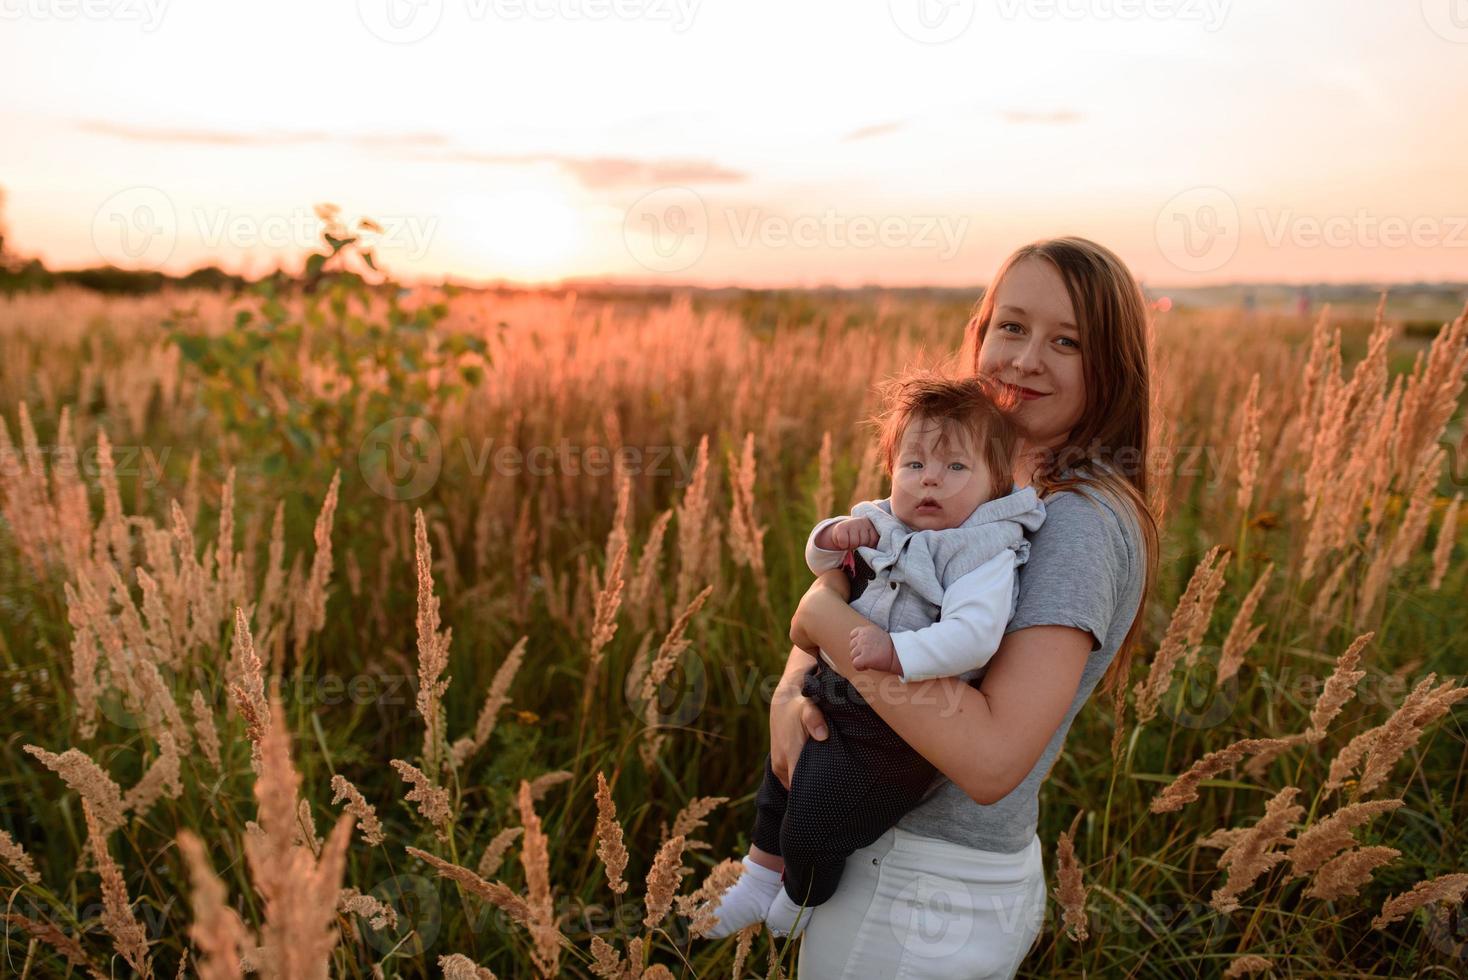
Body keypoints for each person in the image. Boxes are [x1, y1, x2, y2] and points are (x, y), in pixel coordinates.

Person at [775, 237, 1159, 978]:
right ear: (978, 333)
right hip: (912, 863)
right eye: (1011, 327)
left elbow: (989, 758)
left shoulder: (1077, 521)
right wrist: (791, 690)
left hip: (922, 883)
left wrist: (821, 622)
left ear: (1111, 366)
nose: (1024, 360)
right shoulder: (973, 477)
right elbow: (878, 588)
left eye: (1068, 341)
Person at [704, 374, 1047, 939]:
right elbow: (822, 566)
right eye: (913, 466)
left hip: (896, 727)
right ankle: (758, 877)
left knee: (820, 821)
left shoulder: (983, 552)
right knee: (780, 782)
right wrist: (836, 534)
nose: (929, 480)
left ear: (995, 485)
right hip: (833, 688)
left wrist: (897, 650)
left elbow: (975, 635)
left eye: (956, 469)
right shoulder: (885, 519)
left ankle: (797, 900)